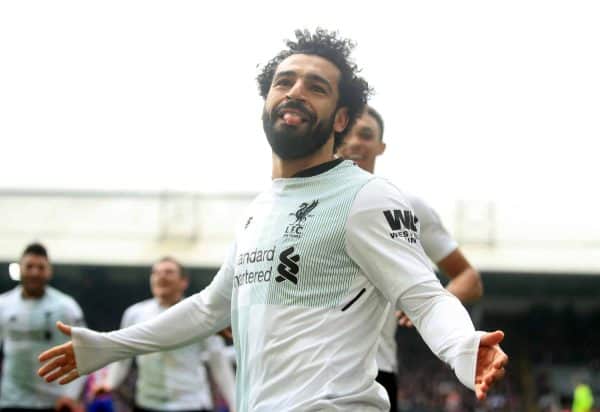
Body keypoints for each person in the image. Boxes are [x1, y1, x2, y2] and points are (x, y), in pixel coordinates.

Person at [38, 29, 508, 411]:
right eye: (285, 82)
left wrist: (464, 346)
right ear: (267, 100)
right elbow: (208, 309)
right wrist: (108, 345)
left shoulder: (365, 196)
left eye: (317, 87)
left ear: (341, 119)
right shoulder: (259, 210)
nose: (297, 91)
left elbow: (424, 297)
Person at [337, 105, 484, 410]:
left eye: (365, 134)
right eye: (346, 133)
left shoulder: (405, 206)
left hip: (374, 372)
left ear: (381, 146)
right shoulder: (301, 207)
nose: (354, 143)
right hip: (303, 373)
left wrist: (431, 303)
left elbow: (469, 279)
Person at [93, 257, 236, 412]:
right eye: (156, 273)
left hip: (190, 405)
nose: (161, 276)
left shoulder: (200, 314)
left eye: (169, 272)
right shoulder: (134, 314)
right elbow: (122, 356)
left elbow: (219, 363)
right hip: (146, 404)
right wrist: (109, 384)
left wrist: (235, 404)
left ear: (184, 281)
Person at [0, 242, 85, 412]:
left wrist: (71, 395)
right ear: (20, 269)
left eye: (41, 267)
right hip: (11, 400)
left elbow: (82, 351)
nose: (34, 272)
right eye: (29, 266)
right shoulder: (3, 304)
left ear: (49, 271)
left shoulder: (66, 307)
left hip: (54, 402)